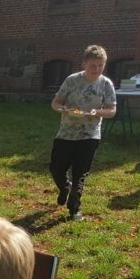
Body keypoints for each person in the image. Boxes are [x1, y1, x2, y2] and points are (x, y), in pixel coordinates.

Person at [50, 44, 116, 221]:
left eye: (101, 65)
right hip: (66, 133)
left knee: (80, 173)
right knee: (56, 168)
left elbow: (112, 110)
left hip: (90, 135)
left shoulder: (106, 83)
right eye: (93, 65)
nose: (97, 69)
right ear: (84, 64)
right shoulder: (72, 80)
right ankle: (64, 187)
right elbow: (55, 102)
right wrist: (63, 109)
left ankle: (74, 208)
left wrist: (96, 112)